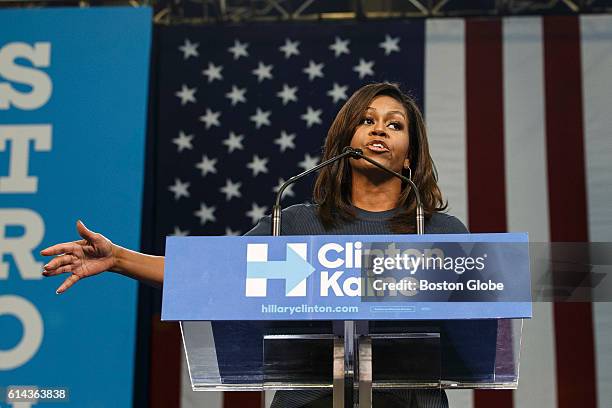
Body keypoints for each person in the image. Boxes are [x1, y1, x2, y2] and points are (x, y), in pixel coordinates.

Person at [41, 82, 467, 407]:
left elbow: (479, 322)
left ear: (410, 154)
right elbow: (212, 276)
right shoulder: (298, 223)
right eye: (367, 120)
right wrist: (118, 258)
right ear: (346, 143)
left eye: (395, 124)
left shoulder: (439, 232)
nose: (379, 129)